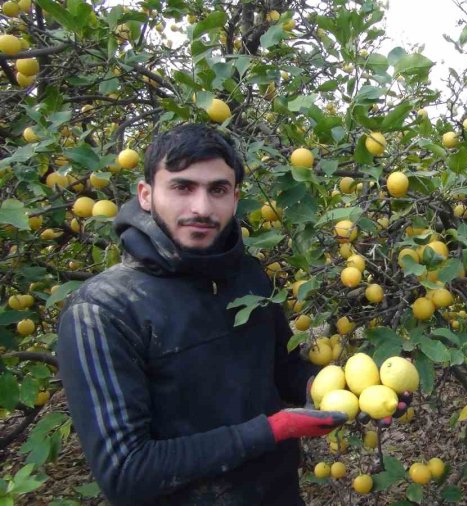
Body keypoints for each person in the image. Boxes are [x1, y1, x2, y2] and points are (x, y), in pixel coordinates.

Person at [57, 124, 346, 505]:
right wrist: (271, 430)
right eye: (182, 187)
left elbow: (284, 369)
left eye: (218, 190)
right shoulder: (103, 311)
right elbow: (126, 471)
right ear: (146, 194)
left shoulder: (249, 277)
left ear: (235, 197)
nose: (202, 208)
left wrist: (338, 389)